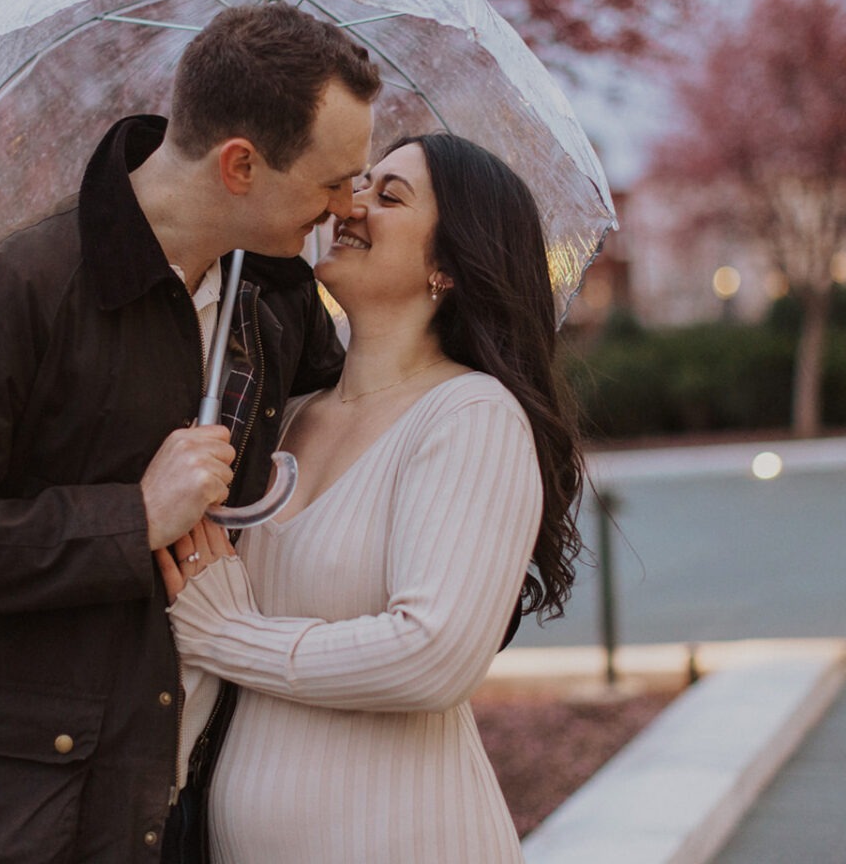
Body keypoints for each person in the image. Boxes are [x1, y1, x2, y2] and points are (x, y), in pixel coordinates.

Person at [0, 3, 380, 863]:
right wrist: (131, 516)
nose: (346, 205)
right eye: (332, 180)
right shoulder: (13, 296)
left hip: (183, 806)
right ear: (241, 164)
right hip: (11, 825)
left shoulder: (274, 305)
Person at [159, 133, 587, 863]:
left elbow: (431, 655)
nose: (351, 207)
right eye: (359, 186)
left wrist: (227, 637)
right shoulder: (287, 418)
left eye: (390, 197)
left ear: (448, 266)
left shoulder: (470, 415)